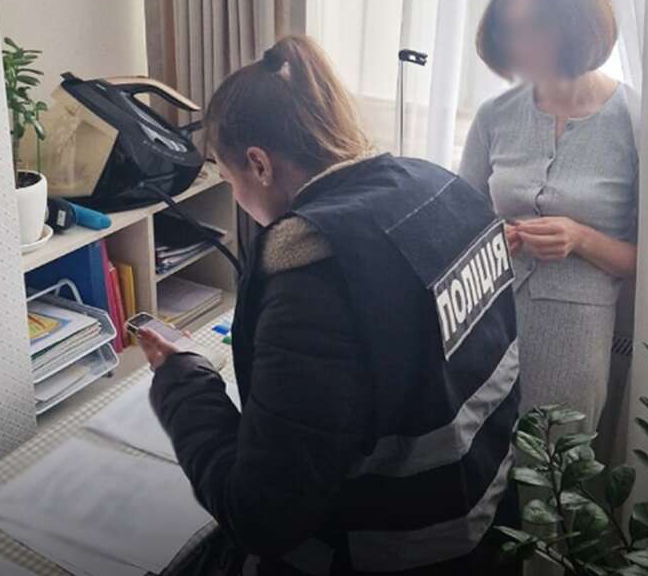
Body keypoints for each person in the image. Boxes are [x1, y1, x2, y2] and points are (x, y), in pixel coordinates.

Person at [138, 35, 520, 575]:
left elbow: (262, 515)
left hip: (393, 552)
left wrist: (182, 381)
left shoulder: (314, 269)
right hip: (486, 525)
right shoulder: (443, 189)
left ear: (259, 164)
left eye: (228, 180)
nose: (237, 200)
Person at [460, 0, 638, 431]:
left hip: (576, 339)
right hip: (488, 325)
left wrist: (581, 238)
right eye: (509, 29)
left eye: (535, 27)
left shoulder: (638, 124)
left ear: (578, 23)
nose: (519, 45)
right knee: (476, 458)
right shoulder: (494, 116)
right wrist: (491, 240)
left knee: (554, 467)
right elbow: (458, 231)